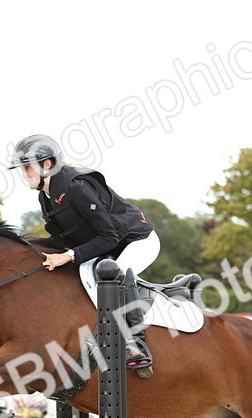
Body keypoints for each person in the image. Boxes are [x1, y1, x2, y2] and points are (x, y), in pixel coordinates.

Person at [11, 133, 159, 376]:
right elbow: (65, 238)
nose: (24, 174)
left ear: (46, 165)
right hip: (106, 247)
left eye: (27, 167)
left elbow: (109, 236)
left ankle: (137, 343)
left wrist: (68, 256)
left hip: (136, 241)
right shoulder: (45, 196)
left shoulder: (76, 187)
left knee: (116, 275)